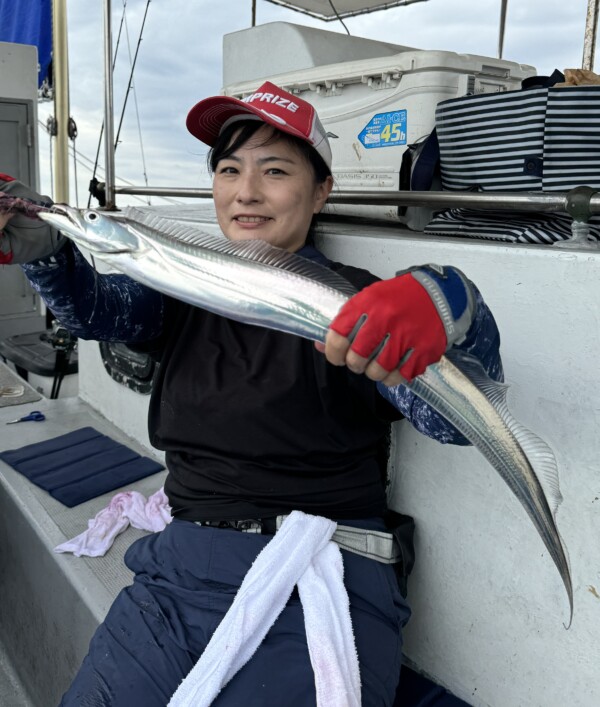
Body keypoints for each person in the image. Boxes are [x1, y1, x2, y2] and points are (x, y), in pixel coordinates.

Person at [0, 80, 502, 706]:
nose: (246, 191)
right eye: (230, 168)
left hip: (323, 567)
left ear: (321, 190)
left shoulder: (360, 305)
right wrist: (48, 253)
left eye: (274, 170)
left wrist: (459, 309)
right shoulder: (183, 284)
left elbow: (453, 422)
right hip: (178, 571)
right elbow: (100, 311)